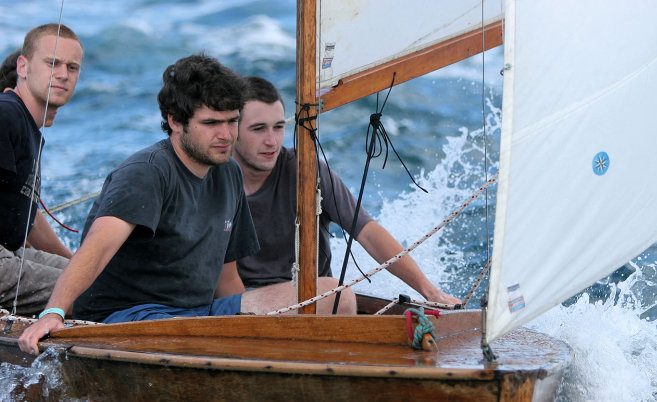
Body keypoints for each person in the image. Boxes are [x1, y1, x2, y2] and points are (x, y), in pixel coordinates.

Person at [18, 55, 355, 355]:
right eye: (211, 123)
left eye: (232, 121)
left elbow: (226, 280)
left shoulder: (230, 174)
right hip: (129, 319)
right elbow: (96, 251)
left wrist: (254, 328)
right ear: (176, 121)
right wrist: (55, 312)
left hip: (199, 315)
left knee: (336, 296)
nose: (226, 134)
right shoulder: (147, 173)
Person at [233, 76, 461, 307]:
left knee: (339, 294)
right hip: (243, 299)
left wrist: (429, 291)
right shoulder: (215, 180)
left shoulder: (308, 172)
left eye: (279, 127)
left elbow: (368, 233)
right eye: (259, 129)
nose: (272, 141)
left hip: (310, 298)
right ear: (233, 130)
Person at [1, 24, 83, 317]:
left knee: (100, 279)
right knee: (94, 293)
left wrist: (79, 264)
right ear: (22, 66)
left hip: (12, 252)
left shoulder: (26, 125)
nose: (63, 74)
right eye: (53, 63)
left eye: (72, 67)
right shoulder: (6, 113)